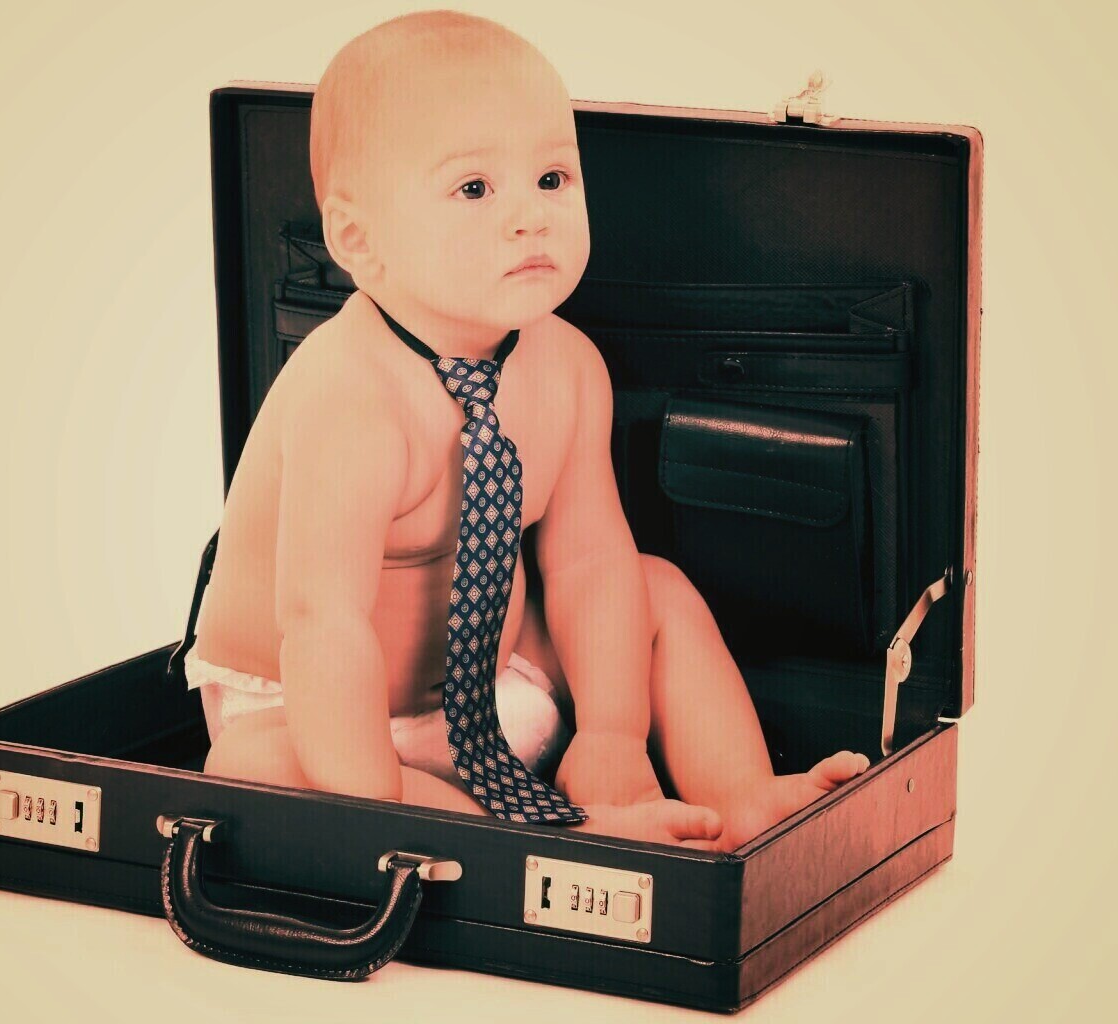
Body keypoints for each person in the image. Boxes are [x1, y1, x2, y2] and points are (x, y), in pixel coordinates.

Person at [189, 9, 870, 852]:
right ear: (358, 241)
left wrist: (612, 732)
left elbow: (587, 560)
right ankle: (547, 839)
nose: (530, 217)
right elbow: (322, 623)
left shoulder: (567, 366)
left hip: (493, 688)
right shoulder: (347, 394)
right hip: (322, 715)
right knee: (257, 768)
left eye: (552, 178)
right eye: (475, 189)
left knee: (654, 590)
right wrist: (370, 805)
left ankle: (739, 799)